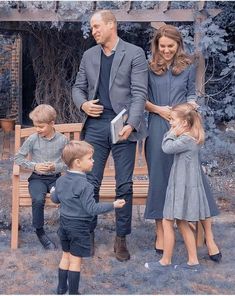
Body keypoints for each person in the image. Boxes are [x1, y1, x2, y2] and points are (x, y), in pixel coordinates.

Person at [72, 10, 148, 262]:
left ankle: (121, 238)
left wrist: (133, 123)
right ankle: (88, 234)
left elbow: (139, 93)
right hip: (95, 126)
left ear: (111, 25)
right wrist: (83, 105)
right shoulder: (88, 55)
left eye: (96, 26)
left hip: (123, 125)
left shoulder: (134, 53)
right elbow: (77, 87)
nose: (93, 31)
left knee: (124, 184)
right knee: (90, 183)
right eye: (92, 27)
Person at [144, 24, 220, 259]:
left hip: (184, 127)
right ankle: (160, 231)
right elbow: (140, 98)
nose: (166, 50)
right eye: (162, 46)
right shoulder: (148, 68)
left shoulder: (187, 66)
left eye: (171, 46)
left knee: (195, 178)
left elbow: (191, 93)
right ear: (156, 45)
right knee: (159, 179)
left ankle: (209, 236)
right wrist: (159, 110)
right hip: (158, 127)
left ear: (178, 45)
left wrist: (190, 106)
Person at [145, 103, 221, 271]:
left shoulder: (185, 140)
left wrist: (171, 133)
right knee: (181, 223)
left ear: (185, 124)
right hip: (182, 185)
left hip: (181, 188)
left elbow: (166, 147)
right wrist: (175, 130)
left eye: (173, 120)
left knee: (168, 221)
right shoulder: (191, 137)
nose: (170, 123)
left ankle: (166, 261)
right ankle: (193, 262)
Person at [50, 140, 126, 294]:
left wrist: (53, 191)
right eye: (90, 158)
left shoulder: (60, 180)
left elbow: (55, 199)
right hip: (79, 228)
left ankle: (61, 288)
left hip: (64, 225)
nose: (93, 161)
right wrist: (113, 205)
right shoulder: (86, 185)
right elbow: (92, 209)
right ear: (78, 162)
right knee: (76, 261)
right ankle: (73, 292)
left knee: (65, 256)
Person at [14, 104, 68, 250]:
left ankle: (64, 229)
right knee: (38, 199)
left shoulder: (62, 140)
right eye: (35, 126)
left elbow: (70, 163)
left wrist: (55, 167)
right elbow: (17, 158)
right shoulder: (33, 139)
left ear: (52, 123)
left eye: (41, 126)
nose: (37, 129)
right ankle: (40, 231)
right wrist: (34, 166)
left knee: (64, 196)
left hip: (56, 179)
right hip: (37, 178)